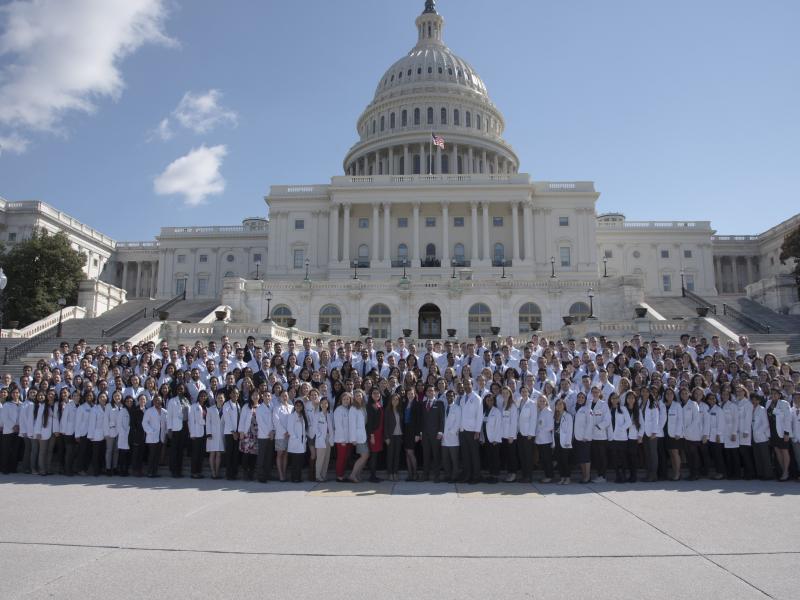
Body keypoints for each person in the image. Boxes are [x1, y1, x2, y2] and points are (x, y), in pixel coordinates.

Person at [765, 389, 792, 481]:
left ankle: (785, 472)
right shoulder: (768, 403)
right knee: (777, 451)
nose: (773, 395)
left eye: (775, 394)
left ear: (779, 395)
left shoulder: (784, 403)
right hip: (772, 431)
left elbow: (788, 419)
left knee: (784, 451)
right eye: (772, 394)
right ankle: (783, 470)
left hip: (782, 432)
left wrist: (787, 433)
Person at [420, 384, 444, 482]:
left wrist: (440, 432)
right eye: (428, 391)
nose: (430, 392)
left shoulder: (439, 403)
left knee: (436, 455)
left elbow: (442, 419)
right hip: (425, 434)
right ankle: (425, 475)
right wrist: (421, 432)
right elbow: (421, 419)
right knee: (426, 455)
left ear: (435, 392)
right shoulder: (423, 403)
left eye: (432, 390)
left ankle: (437, 476)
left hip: (435, 434)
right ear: (426, 393)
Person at [607, 393, 631, 484]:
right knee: (615, 458)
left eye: (616, 398)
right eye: (612, 398)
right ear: (610, 399)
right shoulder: (608, 409)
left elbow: (628, 422)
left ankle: (624, 475)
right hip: (612, 438)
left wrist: (621, 429)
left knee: (623, 458)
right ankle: (618, 475)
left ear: (618, 399)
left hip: (621, 438)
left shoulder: (623, 409)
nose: (614, 400)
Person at [662, 388, 684, 481]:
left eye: (671, 393)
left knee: (675, 453)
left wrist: (678, 432)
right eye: (667, 394)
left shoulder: (677, 405)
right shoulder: (662, 405)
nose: (669, 395)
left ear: (674, 395)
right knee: (671, 454)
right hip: (665, 432)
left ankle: (678, 473)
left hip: (675, 433)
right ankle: (675, 471)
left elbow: (680, 420)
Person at [143, 396, 167, 477]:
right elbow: (144, 423)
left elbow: (166, 424)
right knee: (152, 455)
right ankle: (150, 472)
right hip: (152, 436)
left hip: (161, 436)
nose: (158, 402)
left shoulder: (164, 411)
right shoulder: (149, 411)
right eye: (156, 400)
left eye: (159, 400)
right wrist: (151, 431)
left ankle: (155, 472)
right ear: (153, 402)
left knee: (157, 455)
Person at [517, 387, 537, 483]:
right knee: (522, 455)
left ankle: (529, 476)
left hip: (528, 434)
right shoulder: (518, 402)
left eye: (526, 391)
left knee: (528, 456)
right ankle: (524, 475)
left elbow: (533, 419)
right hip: (520, 433)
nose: (524, 393)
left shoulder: (532, 404)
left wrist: (531, 433)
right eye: (522, 391)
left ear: (528, 393)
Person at [348, 390, 369, 483]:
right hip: (358, 436)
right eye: (356, 396)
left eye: (360, 395)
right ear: (354, 397)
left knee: (366, 455)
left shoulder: (363, 407)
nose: (358, 397)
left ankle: (358, 474)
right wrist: (353, 439)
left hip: (364, 435)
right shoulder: (353, 408)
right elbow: (351, 424)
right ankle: (352, 475)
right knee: (364, 456)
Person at [402, 387, 421, 482]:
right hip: (405, 430)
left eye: (412, 393)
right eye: (408, 393)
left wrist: (417, 434)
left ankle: (415, 474)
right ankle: (409, 474)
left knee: (411, 452)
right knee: (407, 453)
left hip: (413, 432)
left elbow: (419, 421)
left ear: (414, 394)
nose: (410, 395)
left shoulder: (417, 405)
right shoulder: (404, 404)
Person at [383, 393, 404, 482]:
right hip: (390, 436)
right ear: (391, 401)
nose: (395, 401)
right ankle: (390, 473)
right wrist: (386, 437)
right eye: (393, 399)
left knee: (397, 456)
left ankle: (395, 472)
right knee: (390, 455)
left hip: (399, 436)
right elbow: (385, 425)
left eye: (397, 399)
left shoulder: (400, 410)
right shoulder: (387, 411)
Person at [573, 392, 593, 484]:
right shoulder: (575, 408)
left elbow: (590, 424)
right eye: (579, 397)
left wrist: (586, 436)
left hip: (585, 438)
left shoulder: (588, 409)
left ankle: (588, 476)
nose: (580, 399)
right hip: (577, 437)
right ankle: (584, 475)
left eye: (582, 397)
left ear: (585, 399)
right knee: (581, 458)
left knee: (586, 458)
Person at [441, 390, 460, 483]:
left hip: (453, 438)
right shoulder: (444, 407)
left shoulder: (457, 408)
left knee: (454, 459)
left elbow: (458, 422)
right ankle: (447, 475)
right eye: (447, 396)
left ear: (454, 397)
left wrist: (451, 432)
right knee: (445, 459)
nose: (449, 397)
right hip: (444, 438)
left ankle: (455, 476)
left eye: (451, 396)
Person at [481, 394, 502, 483]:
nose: (489, 402)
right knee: (489, 457)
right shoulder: (485, 411)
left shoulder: (496, 411)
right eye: (488, 400)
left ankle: (495, 476)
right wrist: (482, 438)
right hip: (486, 438)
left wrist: (496, 439)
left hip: (494, 439)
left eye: (491, 400)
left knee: (495, 458)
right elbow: (482, 426)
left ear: (494, 401)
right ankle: (490, 475)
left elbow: (499, 426)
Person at [366, 387, 385, 483]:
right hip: (374, 434)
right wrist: (372, 435)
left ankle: (374, 475)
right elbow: (369, 423)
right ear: (371, 395)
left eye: (378, 393)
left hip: (379, 433)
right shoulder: (369, 406)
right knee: (373, 455)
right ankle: (372, 476)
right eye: (374, 393)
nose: (376, 395)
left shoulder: (378, 404)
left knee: (376, 455)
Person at [188, 390, 208, 479]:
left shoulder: (207, 407)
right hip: (196, 433)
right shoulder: (193, 407)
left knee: (201, 454)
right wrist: (192, 433)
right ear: (198, 397)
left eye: (204, 396)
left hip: (204, 433)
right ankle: (193, 472)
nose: (203, 397)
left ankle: (199, 471)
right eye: (201, 396)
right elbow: (191, 421)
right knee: (195, 454)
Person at [750, 394, 771, 480]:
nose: (754, 401)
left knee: (765, 457)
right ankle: (760, 474)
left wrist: (758, 432)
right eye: (752, 400)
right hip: (754, 437)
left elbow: (765, 424)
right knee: (757, 456)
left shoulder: (762, 409)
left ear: (759, 401)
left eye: (755, 400)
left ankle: (768, 475)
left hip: (762, 436)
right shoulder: (750, 409)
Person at [553, 397, 573, 485]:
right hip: (556, 441)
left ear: (564, 405)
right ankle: (562, 477)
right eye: (557, 404)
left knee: (565, 461)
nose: (559, 406)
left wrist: (568, 442)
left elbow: (570, 430)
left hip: (565, 442)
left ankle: (567, 478)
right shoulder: (554, 416)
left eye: (561, 404)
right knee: (559, 460)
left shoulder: (568, 416)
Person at [287, 399, 308, 483]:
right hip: (295, 442)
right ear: (294, 407)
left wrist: (304, 439)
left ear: (302, 407)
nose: (298, 407)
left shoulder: (303, 416)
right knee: (294, 462)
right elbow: (290, 429)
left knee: (300, 461)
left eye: (300, 405)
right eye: (297, 405)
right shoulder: (291, 416)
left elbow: (304, 429)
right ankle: (293, 477)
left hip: (302, 442)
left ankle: (298, 477)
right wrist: (295, 438)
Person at [535, 395, 554, 483]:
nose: (542, 402)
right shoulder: (539, 411)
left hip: (546, 439)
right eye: (540, 400)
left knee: (547, 459)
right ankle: (547, 475)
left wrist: (540, 430)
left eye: (543, 400)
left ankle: (549, 476)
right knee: (543, 459)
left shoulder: (548, 411)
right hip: (540, 440)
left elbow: (550, 426)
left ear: (546, 402)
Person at [333, 392, 352, 482]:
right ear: (341, 400)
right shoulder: (338, 410)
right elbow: (338, 426)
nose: (346, 401)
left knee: (345, 458)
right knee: (341, 458)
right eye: (344, 399)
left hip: (348, 439)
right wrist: (343, 440)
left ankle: (342, 474)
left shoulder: (349, 409)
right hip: (342, 440)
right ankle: (339, 476)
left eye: (347, 399)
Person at [222, 389, 241, 480]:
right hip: (230, 433)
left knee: (235, 454)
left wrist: (237, 432)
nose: (235, 395)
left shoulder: (238, 405)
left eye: (237, 393)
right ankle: (229, 474)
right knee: (229, 453)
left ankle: (234, 473)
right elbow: (227, 419)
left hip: (237, 433)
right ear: (230, 395)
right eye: (233, 393)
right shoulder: (226, 405)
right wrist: (233, 432)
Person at [206, 393, 225, 479]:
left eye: (221, 398)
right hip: (212, 434)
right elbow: (208, 422)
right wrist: (208, 433)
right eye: (218, 398)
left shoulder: (226, 409)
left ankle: (217, 472)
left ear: (224, 399)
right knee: (212, 453)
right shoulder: (210, 409)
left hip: (221, 434)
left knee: (219, 454)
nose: (220, 399)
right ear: (215, 399)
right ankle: (213, 472)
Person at [314, 397, 334, 482]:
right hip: (321, 438)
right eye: (322, 403)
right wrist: (320, 435)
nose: (324, 405)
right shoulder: (317, 414)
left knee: (326, 458)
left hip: (329, 437)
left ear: (328, 404)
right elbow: (315, 428)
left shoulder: (330, 414)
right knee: (320, 458)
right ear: (320, 404)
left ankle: (323, 475)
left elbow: (332, 427)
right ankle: (318, 476)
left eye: (326, 403)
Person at [129, 395, 147, 477]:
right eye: (141, 399)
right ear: (138, 401)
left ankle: (139, 470)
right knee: (135, 453)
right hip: (137, 435)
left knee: (141, 453)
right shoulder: (134, 410)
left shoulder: (148, 410)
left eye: (144, 399)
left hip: (145, 434)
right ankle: (134, 470)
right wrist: (135, 434)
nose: (142, 400)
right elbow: (132, 424)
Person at [117, 395, 132, 477]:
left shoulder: (131, 410)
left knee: (127, 454)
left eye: (131, 401)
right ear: (125, 402)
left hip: (130, 435)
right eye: (127, 401)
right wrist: (123, 433)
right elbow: (119, 424)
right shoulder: (122, 411)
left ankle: (126, 470)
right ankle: (122, 471)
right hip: (123, 435)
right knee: (122, 454)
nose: (129, 403)